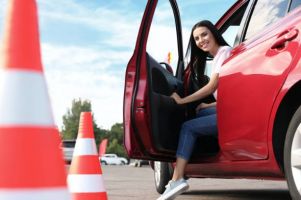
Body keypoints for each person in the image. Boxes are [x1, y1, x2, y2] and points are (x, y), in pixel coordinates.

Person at [157, 20, 232, 200]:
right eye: (197, 38)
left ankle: (177, 179)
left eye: (204, 34)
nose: (201, 40)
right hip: (227, 108)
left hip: (231, 116)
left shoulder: (224, 51)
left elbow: (212, 86)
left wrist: (183, 100)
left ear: (214, 33)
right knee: (200, 111)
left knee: (188, 127)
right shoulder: (218, 56)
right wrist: (208, 105)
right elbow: (228, 95)